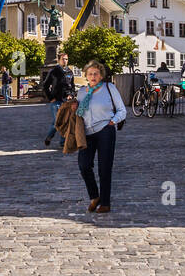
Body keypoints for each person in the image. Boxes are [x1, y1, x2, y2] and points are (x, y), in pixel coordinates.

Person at [74, 60, 127, 214]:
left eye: (96, 73)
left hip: (105, 130)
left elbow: (122, 110)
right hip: (87, 133)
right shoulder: (82, 92)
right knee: (84, 165)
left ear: (101, 75)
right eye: (90, 74)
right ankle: (94, 196)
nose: (93, 76)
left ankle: (105, 203)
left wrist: (113, 122)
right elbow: (79, 114)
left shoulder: (109, 88)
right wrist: (74, 108)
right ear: (86, 75)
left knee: (104, 168)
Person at [41, 52, 74, 148]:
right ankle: (50, 136)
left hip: (66, 101)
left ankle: (62, 143)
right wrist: (51, 98)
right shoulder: (53, 71)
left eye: (66, 59)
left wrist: (71, 95)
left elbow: (72, 87)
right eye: (63, 59)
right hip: (56, 101)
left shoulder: (69, 72)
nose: (65, 61)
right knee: (58, 122)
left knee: (65, 122)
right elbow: (45, 86)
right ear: (59, 60)